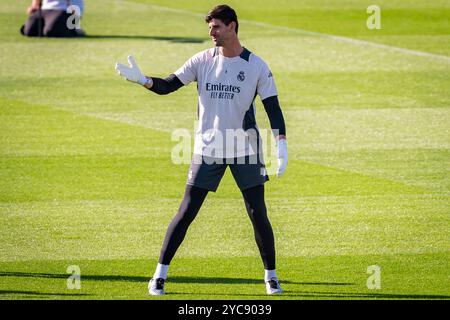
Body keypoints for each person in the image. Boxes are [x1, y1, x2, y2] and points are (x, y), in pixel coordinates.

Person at [115, 4, 288, 296]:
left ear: (232, 26)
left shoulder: (257, 66)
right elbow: (169, 85)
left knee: (257, 212)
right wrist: (143, 80)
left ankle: (271, 277)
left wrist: (280, 146)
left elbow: (273, 109)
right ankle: (159, 276)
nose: (211, 32)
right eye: (209, 27)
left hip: (245, 148)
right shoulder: (202, 60)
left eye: (216, 26)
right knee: (186, 211)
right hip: (208, 147)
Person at [21, 0, 85, 37]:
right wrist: (35, 5)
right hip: (46, 8)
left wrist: (75, 20)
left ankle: (75, 30)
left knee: (50, 31)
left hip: (66, 9)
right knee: (28, 31)